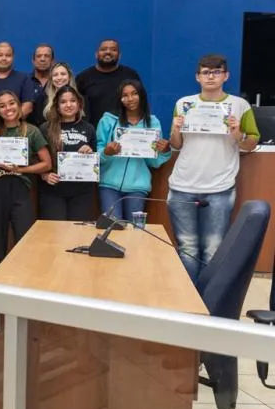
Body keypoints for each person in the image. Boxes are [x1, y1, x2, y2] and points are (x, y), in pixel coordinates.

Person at [167, 54, 259, 285]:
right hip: (182, 185)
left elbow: (251, 144)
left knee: (213, 249)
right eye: (206, 72)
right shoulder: (184, 104)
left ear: (225, 75)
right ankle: (188, 303)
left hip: (219, 187)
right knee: (186, 248)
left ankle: (207, 304)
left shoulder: (239, 106)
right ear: (198, 77)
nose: (211, 76)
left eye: (216, 72)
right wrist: (176, 129)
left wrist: (237, 132)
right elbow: (176, 144)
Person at [0, 90, 52, 272]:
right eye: (2, 106)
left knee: (24, 239)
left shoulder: (31, 131)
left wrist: (20, 169)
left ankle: (23, 284)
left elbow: (46, 163)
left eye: (11, 103)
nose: (8, 108)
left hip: (20, 189)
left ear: (19, 106)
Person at [96, 79, 171, 221]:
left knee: (134, 230)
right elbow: (97, 155)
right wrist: (106, 153)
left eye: (134, 93)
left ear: (141, 95)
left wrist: (164, 151)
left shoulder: (153, 122)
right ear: (119, 99)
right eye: (125, 95)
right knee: (112, 227)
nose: (130, 99)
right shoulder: (108, 120)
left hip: (138, 187)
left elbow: (153, 163)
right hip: (109, 185)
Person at [38, 86, 97, 221]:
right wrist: (44, 175)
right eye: (63, 102)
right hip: (53, 191)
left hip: (82, 191)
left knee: (77, 234)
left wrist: (90, 152)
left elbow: (96, 160)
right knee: (55, 235)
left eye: (73, 101)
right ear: (57, 106)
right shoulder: (45, 128)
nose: (68, 105)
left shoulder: (89, 128)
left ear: (79, 104)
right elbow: (36, 157)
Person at [76, 39, 141, 124]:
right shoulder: (83, 77)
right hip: (93, 132)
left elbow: (141, 102)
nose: (108, 52)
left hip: (125, 130)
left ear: (119, 55)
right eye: (103, 49)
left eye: (113, 49)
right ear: (96, 54)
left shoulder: (130, 75)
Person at [26, 44, 54, 126]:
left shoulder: (58, 82)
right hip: (29, 132)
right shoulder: (25, 82)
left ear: (52, 61)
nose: (42, 59)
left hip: (54, 131)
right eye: (39, 56)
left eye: (47, 56)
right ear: (33, 61)